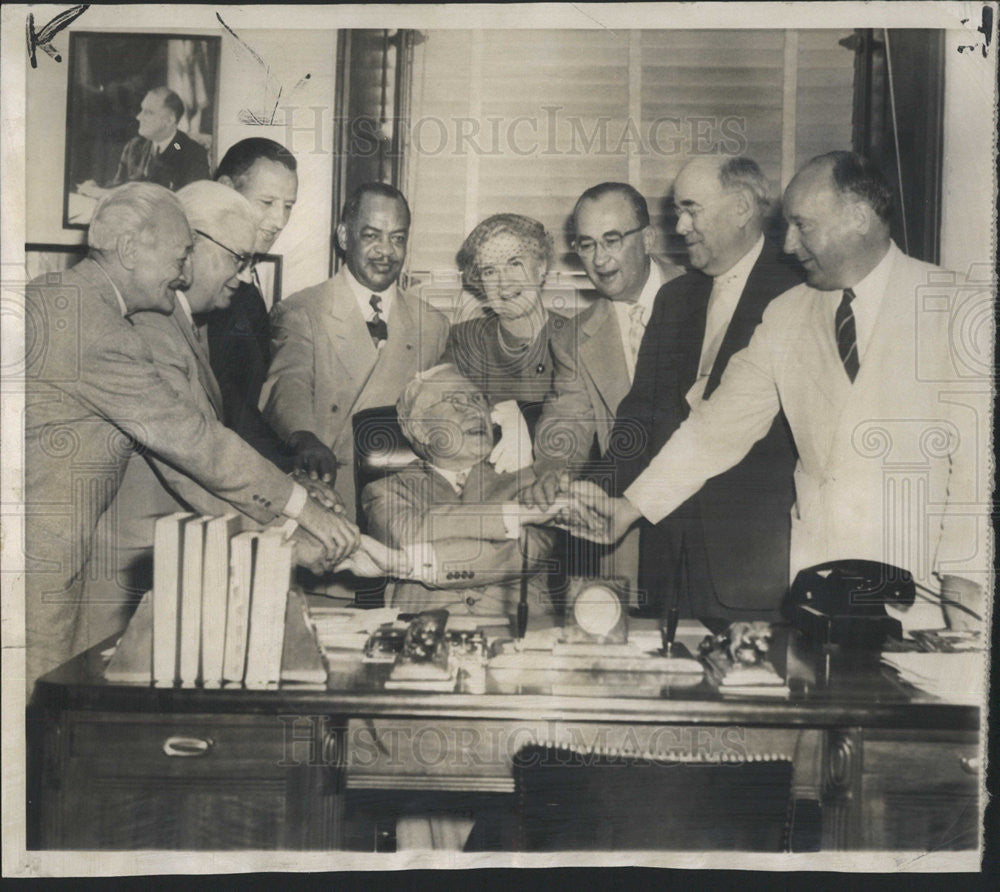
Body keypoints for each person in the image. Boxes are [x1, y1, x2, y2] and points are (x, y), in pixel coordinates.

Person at [559, 152, 986, 631]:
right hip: (818, 585)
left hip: (926, 591)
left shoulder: (958, 308)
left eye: (803, 226)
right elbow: (716, 429)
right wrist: (630, 506)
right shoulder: (787, 313)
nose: (788, 242)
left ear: (858, 218)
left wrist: (963, 582)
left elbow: (978, 467)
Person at [24, 182, 358, 689]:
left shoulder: (71, 301)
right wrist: (299, 514)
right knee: (36, 739)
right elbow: (193, 442)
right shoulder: (95, 325)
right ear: (131, 250)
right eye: (179, 256)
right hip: (34, 574)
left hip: (45, 565)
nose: (183, 274)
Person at [80, 181, 333, 646]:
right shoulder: (150, 328)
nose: (243, 275)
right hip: (123, 580)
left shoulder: (188, 325)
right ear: (190, 247)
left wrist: (295, 500)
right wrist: (291, 528)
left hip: (170, 564)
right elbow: (193, 459)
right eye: (238, 258)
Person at [603, 156, 803, 621]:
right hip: (667, 557)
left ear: (740, 207)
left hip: (756, 565)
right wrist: (603, 496)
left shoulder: (801, 289)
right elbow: (639, 420)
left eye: (691, 209)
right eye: (677, 210)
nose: (680, 224)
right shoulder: (674, 299)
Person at [259, 182, 450, 522]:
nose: (386, 251)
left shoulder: (432, 324)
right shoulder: (302, 310)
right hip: (330, 498)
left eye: (398, 238)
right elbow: (289, 384)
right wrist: (304, 438)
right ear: (345, 237)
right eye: (372, 235)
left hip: (406, 508)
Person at [360, 364, 559, 620]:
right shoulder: (386, 490)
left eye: (479, 400)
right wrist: (510, 517)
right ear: (422, 430)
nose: (476, 410)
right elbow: (407, 534)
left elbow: (528, 550)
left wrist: (422, 554)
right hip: (423, 636)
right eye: (455, 401)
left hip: (519, 634)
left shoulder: (529, 478)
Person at [531, 182, 684, 471]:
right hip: (626, 496)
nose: (599, 260)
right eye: (587, 245)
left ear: (648, 239)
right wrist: (552, 474)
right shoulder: (572, 339)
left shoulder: (702, 297)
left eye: (612, 241)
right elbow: (567, 421)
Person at [206, 138, 302, 470]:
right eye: (267, 202)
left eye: (288, 206)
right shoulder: (204, 285)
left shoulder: (245, 281)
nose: (279, 220)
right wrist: (291, 469)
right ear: (225, 190)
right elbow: (228, 406)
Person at [442, 213, 563, 404]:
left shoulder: (579, 339)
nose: (504, 282)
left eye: (515, 264)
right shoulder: (464, 342)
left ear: (540, 268)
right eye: (490, 271)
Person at [78, 88, 210, 196]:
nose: (139, 117)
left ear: (169, 120)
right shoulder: (134, 147)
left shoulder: (189, 152)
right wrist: (98, 188)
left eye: (148, 112)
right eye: (142, 110)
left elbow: (186, 201)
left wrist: (102, 193)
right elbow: (119, 185)